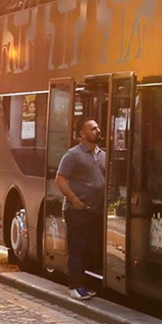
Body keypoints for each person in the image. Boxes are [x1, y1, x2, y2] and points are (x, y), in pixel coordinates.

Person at [54, 118, 105, 300]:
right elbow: (60, 179)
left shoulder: (102, 154)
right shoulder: (73, 155)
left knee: (90, 248)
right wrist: (75, 201)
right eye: (93, 128)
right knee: (78, 248)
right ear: (82, 134)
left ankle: (85, 284)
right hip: (78, 211)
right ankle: (74, 286)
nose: (98, 130)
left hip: (95, 211)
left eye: (98, 127)